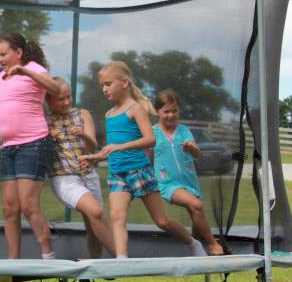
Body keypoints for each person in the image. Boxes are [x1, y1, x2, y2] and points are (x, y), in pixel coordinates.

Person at [79, 61, 205, 258]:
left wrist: (120, 147)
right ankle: (122, 261)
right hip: (117, 174)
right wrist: (94, 157)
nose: (104, 89)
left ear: (124, 83)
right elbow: (111, 148)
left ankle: (192, 242)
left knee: (162, 221)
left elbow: (150, 140)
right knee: (117, 218)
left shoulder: (135, 109)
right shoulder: (109, 114)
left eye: (108, 83)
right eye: (102, 85)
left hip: (140, 171)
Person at [0, 33, 63, 259]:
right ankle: (12, 261)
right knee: (10, 208)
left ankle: (49, 257)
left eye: (4, 54)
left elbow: (56, 90)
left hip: (33, 144)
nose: (0, 59)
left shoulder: (34, 68)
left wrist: (25, 71)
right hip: (9, 149)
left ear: (19, 53)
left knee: (28, 205)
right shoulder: (1, 77)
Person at [45, 77, 117, 258]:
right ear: (48, 99)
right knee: (96, 211)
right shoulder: (44, 121)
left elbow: (92, 147)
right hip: (64, 178)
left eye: (69, 97)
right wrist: (47, 138)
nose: (67, 102)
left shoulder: (82, 114)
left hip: (88, 174)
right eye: (61, 99)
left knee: (93, 221)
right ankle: (121, 258)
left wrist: (84, 135)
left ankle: (96, 265)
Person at [152, 89, 225, 255]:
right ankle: (213, 244)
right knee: (196, 205)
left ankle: (195, 245)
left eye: (174, 110)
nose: (171, 115)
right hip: (168, 183)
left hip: (189, 181)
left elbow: (197, 153)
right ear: (158, 111)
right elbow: (147, 157)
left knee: (196, 216)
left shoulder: (184, 130)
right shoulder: (153, 133)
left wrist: (191, 148)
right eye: (166, 111)